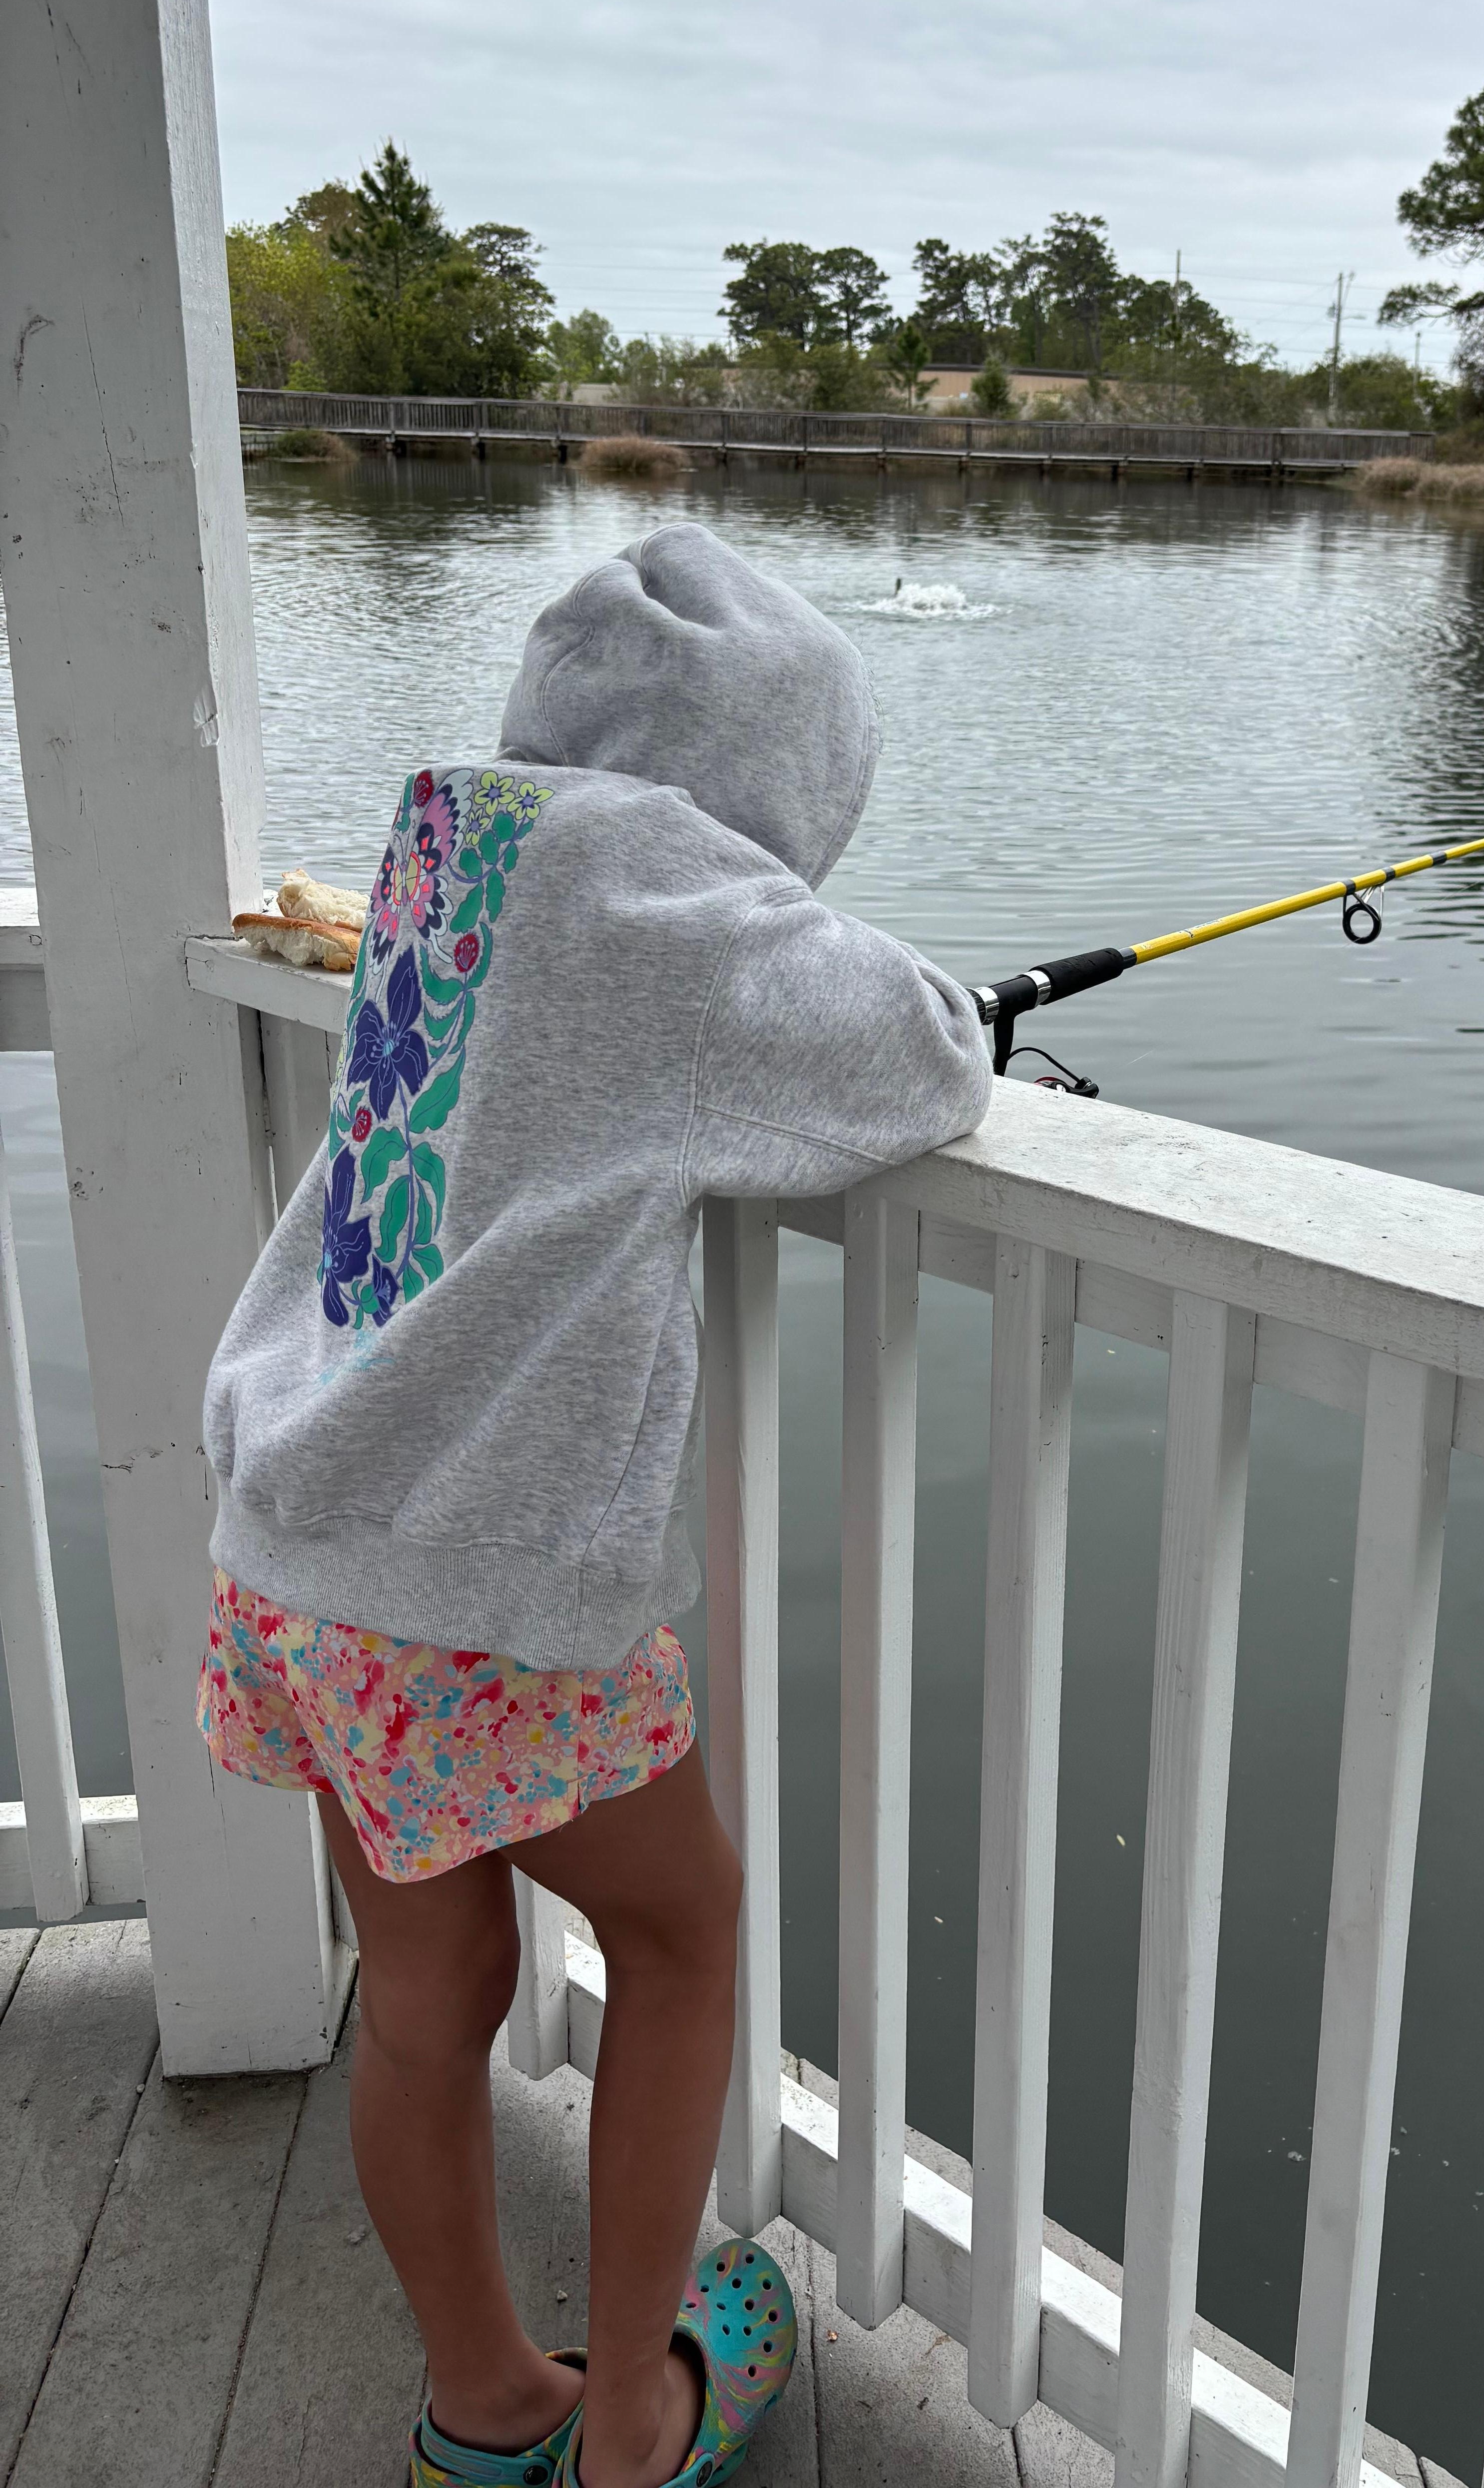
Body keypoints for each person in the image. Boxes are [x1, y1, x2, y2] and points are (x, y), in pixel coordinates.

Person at [196, 523, 993, 2488]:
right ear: (764, 779)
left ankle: (483, 2409)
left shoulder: (454, 842)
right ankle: (636, 2422)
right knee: (689, 1930)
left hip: (302, 1533)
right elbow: (911, 1057)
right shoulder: (651, 882)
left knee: (434, 1983)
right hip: (474, 1580)